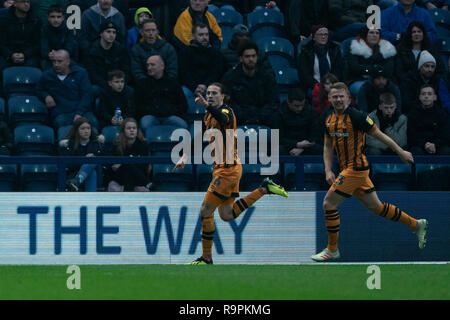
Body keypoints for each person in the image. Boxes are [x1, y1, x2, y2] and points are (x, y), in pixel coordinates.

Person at [173, 82, 289, 265]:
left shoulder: (227, 112)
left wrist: (206, 105)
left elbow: (224, 120)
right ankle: (264, 189)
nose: (210, 96)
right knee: (226, 215)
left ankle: (206, 257)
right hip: (225, 168)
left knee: (205, 210)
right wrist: (185, 156)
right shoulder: (208, 115)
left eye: (214, 93)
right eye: (208, 93)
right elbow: (199, 136)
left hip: (227, 171)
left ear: (223, 96)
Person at [311, 82, 428, 262]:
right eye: (335, 96)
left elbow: (380, 135)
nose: (338, 99)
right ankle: (416, 224)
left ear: (348, 98)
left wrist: (400, 151)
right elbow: (327, 147)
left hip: (356, 168)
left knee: (328, 204)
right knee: (377, 207)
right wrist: (327, 169)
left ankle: (332, 249)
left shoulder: (358, 117)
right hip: (352, 170)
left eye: (341, 96)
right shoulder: (329, 119)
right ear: (329, 99)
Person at [221, 39, 280, 127]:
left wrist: (259, 116)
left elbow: (273, 102)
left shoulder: (267, 77)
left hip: (263, 118)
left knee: (276, 118)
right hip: (239, 119)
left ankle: (278, 141)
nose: (251, 59)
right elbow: (227, 103)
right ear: (241, 58)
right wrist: (244, 116)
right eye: (247, 56)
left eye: (253, 56)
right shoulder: (230, 77)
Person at [37, 49, 98, 130]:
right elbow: (38, 89)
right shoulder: (47, 76)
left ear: (68, 62)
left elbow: (86, 94)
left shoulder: (81, 73)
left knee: (93, 122)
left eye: (59, 61)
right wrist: (46, 96)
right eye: (54, 61)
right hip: (62, 113)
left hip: (82, 111)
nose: (56, 64)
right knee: (61, 122)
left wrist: (79, 113)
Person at [179, 22, 227, 111]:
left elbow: (216, 72)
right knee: (183, 93)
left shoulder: (215, 53)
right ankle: (193, 122)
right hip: (190, 87)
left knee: (216, 94)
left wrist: (205, 86)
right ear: (193, 36)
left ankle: (210, 122)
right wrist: (195, 87)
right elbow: (184, 73)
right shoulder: (185, 52)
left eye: (206, 34)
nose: (204, 37)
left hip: (209, 86)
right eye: (201, 35)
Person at [135, 55, 188, 132]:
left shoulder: (172, 83)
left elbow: (183, 105)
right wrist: (153, 111)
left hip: (170, 116)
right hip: (150, 116)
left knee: (182, 125)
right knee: (145, 124)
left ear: (162, 66)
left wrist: (169, 111)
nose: (149, 68)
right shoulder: (142, 84)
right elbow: (137, 105)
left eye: (152, 65)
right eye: (147, 65)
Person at [347, 26, 397, 98]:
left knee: (394, 89)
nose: (374, 35)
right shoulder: (355, 47)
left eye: (377, 33)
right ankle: (362, 109)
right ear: (365, 34)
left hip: (381, 81)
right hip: (358, 80)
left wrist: (369, 70)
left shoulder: (387, 49)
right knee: (363, 89)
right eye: (371, 32)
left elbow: (389, 70)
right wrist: (376, 69)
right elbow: (355, 68)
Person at [59, 117, 104, 192]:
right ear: (77, 130)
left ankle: (77, 181)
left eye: (88, 128)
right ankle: (90, 202)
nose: (86, 131)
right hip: (74, 175)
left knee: (92, 160)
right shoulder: (69, 145)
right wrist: (84, 160)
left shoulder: (97, 144)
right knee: (92, 172)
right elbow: (69, 166)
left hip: (97, 178)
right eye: (82, 129)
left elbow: (102, 164)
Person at [107, 117, 152, 192]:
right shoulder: (117, 145)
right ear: (123, 131)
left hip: (138, 176)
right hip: (121, 177)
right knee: (128, 163)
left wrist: (124, 163)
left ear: (137, 130)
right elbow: (114, 167)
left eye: (134, 128)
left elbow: (145, 166)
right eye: (129, 128)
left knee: (128, 163)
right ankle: (147, 183)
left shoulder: (143, 145)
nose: (132, 130)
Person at [84, 20, 130, 90]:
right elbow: (92, 74)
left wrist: (119, 83)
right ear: (101, 34)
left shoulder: (121, 50)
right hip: (100, 85)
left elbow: (126, 70)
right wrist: (108, 85)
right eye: (108, 31)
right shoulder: (91, 51)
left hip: (118, 84)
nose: (111, 35)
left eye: (114, 32)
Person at [297, 25, 343, 93]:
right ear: (313, 37)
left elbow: (338, 71)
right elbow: (304, 75)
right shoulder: (306, 51)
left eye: (326, 34)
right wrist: (319, 86)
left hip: (332, 85)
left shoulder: (335, 50)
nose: (323, 37)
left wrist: (331, 84)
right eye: (320, 34)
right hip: (312, 86)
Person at [277, 87, 323, 156]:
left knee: (322, 149)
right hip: (288, 145)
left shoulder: (310, 111)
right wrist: (296, 144)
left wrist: (301, 148)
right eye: (296, 106)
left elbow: (315, 135)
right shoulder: (279, 113)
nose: (300, 108)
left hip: (306, 145)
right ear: (288, 102)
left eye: (302, 105)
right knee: (278, 150)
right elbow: (278, 138)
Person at [407, 84, 450, 154]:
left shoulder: (442, 114)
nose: (426, 96)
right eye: (423, 94)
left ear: (435, 97)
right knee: (415, 151)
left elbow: (445, 136)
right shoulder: (413, 114)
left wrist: (435, 144)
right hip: (420, 146)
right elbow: (412, 136)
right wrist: (425, 145)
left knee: (446, 151)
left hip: (438, 146)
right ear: (419, 97)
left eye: (429, 94)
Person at [0, 0, 42, 71]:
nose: (26, 4)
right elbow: (1, 43)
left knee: (33, 67)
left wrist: (25, 55)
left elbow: (37, 44)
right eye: (23, 1)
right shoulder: (4, 20)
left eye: (28, 2)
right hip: (8, 54)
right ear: (15, 4)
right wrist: (10, 55)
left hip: (28, 56)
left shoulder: (36, 20)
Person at [400, 50, 441, 114]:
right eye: (427, 66)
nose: (430, 69)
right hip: (415, 114)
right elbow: (407, 104)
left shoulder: (437, 80)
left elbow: (440, 102)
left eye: (432, 67)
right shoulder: (409, 80)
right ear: (420, 67)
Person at [40, 4, 77, 71]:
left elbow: (69, 49)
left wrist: (58, 55)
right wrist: (49, 54)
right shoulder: (44, 29)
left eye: (58, 17)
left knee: (74, 66)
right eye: (52, 17)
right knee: (44, 64)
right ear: (48, 18)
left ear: (63, 18)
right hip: (50, 59)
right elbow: (44, 50)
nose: (55, 20)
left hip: (64, 58)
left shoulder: (68, 30)